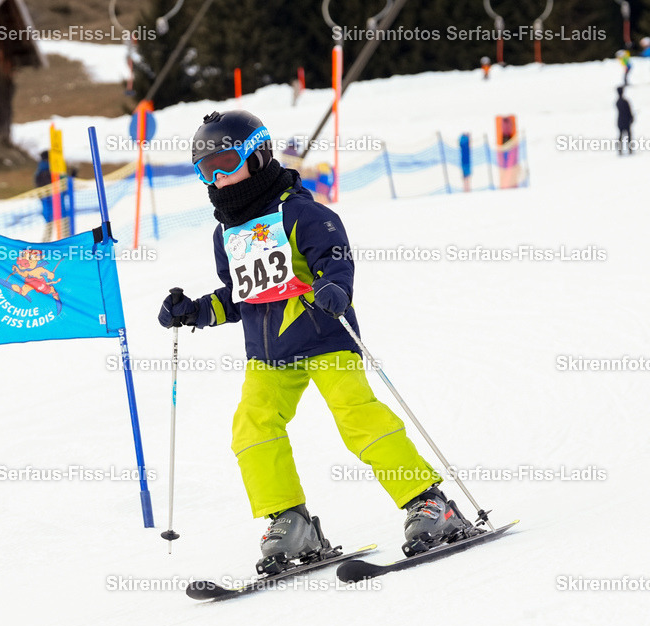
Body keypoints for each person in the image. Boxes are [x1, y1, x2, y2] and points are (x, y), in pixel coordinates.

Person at [158, 111, 471, 574]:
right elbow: (242, 297)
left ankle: (428, 503)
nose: (218, 179)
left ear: (259, 156)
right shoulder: (227, 233)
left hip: (325, 339)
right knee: (252, 429)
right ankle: (290, 520)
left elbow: (337, 262)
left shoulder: (303, 214)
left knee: (360, 419)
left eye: (226, 163)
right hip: (268, 357)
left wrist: (334, 288)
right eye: (206, 170)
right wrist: (197, 311)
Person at [617, 87, 634, 155]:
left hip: (620, 121)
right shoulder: (625, 101)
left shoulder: (617, 102)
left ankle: (620, 150)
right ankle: (630, 149)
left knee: (621, 136)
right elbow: (629, 111)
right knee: (628, 136)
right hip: (626, 121)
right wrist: (631, 118)